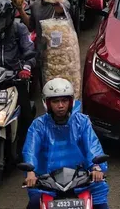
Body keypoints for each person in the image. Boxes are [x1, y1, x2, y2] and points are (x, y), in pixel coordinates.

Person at [22, 78, 108, 209]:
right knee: (34, 204)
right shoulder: (38, 125)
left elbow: (92, 145)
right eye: (56, 101)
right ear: (47, 103)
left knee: (101, 203)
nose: (60, 105)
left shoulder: (82, 122)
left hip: (82, 179)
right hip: (47, 182)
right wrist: (31, 172)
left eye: (64, 100)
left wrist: (96, 167)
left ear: (71, 102)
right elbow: (30, 150)